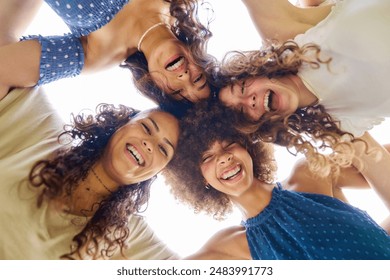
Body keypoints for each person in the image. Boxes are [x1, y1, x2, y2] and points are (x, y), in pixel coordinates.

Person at [162, 100, 390, 260]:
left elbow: (379, 158)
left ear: (248, 146)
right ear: (198, 179)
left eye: (229, 144)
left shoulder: (310, 173)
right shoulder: (234, 246)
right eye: (207, 157)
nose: (224, 158)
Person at [0, 85, 180, 259]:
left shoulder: (130, 236)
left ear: (157, 172)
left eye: (163, 150)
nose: (149, 144)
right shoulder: (43, 132)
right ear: (123, 122)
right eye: (147, 127)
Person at [217, 0, 390, 137]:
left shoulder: (291, 39)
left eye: (241, 88)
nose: (250, 100)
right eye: (241, 112)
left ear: (255, 72)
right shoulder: (337, 125)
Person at [0, 0, 216, 106]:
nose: (184, 77)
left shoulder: (99, 56)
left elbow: (4, 66)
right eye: (198, 79)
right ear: (200, 60)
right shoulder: (180, 1)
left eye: (177, 92)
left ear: (156, 87)